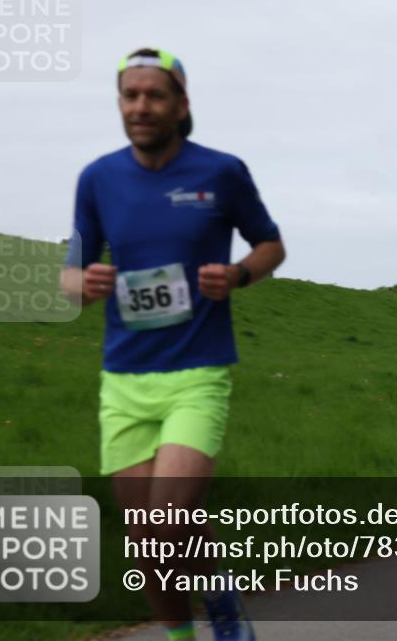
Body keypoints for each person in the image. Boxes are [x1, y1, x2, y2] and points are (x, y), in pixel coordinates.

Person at [61, 48, 286, 641]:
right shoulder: (98, 178)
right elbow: (68, 275)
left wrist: (238, 274)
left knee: (168, 519)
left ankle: (218, 602)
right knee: (148, 545)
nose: (141, 106)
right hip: (124, 379)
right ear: (120, 103)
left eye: (154, 95)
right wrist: (81, 285)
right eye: (130, 95)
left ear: (181, 105)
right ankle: (190, 624)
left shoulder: (221, 172)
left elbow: (270, 245)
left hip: (197, 372)